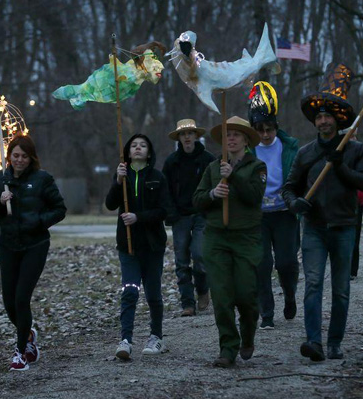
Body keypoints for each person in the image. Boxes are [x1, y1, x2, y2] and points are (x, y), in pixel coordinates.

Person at [282, 63, 363, 361]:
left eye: (327, 116)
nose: (323, 121)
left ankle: (334, 341)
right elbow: (289, 187)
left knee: (341, 289)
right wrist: (294, 203)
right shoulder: (306, 153)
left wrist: (342, 167)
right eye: (319, 116)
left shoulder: (354, 149)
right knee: (312, 284)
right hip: (314, 228)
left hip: (344, 227)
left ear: (338, 120)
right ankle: (314, 343)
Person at [0, 134, 67, 371]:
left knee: (21, 298)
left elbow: (60, 209)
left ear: (31, 158)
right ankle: (27, 333)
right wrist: (0, 202)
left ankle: (20, 353)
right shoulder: (0, 179)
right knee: (9, 302)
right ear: (9, 156)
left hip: (35, 246)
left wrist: (39, 222)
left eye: (24, 156)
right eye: (15, 156)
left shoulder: (42, 179)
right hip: (8, 245)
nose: (19, 160)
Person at [193, 116, 267, 368]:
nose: (231, 139)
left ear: (246, 139)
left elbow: (254, 196)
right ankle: (227, 347)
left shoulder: (257, 166)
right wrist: (213, 193)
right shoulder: (213, 168)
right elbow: (197, 199)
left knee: (246, 294)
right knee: (222, 297)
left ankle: (248, 335)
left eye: (236, 134)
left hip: (246, 238)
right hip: (216, 238)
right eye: (228, 135)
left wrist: (233, 176)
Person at [105, 133, 170, 360]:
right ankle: (125, 340)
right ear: (127, 151)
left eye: (143, 145)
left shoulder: (157, 177)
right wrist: (117, 182)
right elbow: (110, 204)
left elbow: (164, 210)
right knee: (130, 291)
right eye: (134, 145)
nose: (138, 148)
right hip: (128, 245)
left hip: (152, 245)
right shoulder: (121, 175)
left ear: (149, 152)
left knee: (153, 293)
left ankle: (156, 336)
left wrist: (138, 217)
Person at [247, 81, 300, 330]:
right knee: (261, 263)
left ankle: (289, 294)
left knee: (286, 263)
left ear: (275, 128)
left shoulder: (289, 147)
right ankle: (266, 313)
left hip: (284, 212)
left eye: (269, 129)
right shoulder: (247, 152)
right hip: (258, 216)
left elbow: (299, 174)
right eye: (260, 130)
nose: (265, 134)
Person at [162, 119, 216, 317]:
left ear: (196, 136)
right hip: (180, 215)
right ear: (179, 138)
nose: (186, 137)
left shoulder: (208, 159)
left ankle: (203, 289)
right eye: (183, 134)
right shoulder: (171, 162)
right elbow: (165, 190)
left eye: (190, 134)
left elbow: (214, 184)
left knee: (200, 254)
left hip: (202, 213)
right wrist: (171, 213)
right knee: (182, 260)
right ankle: (187, 302)